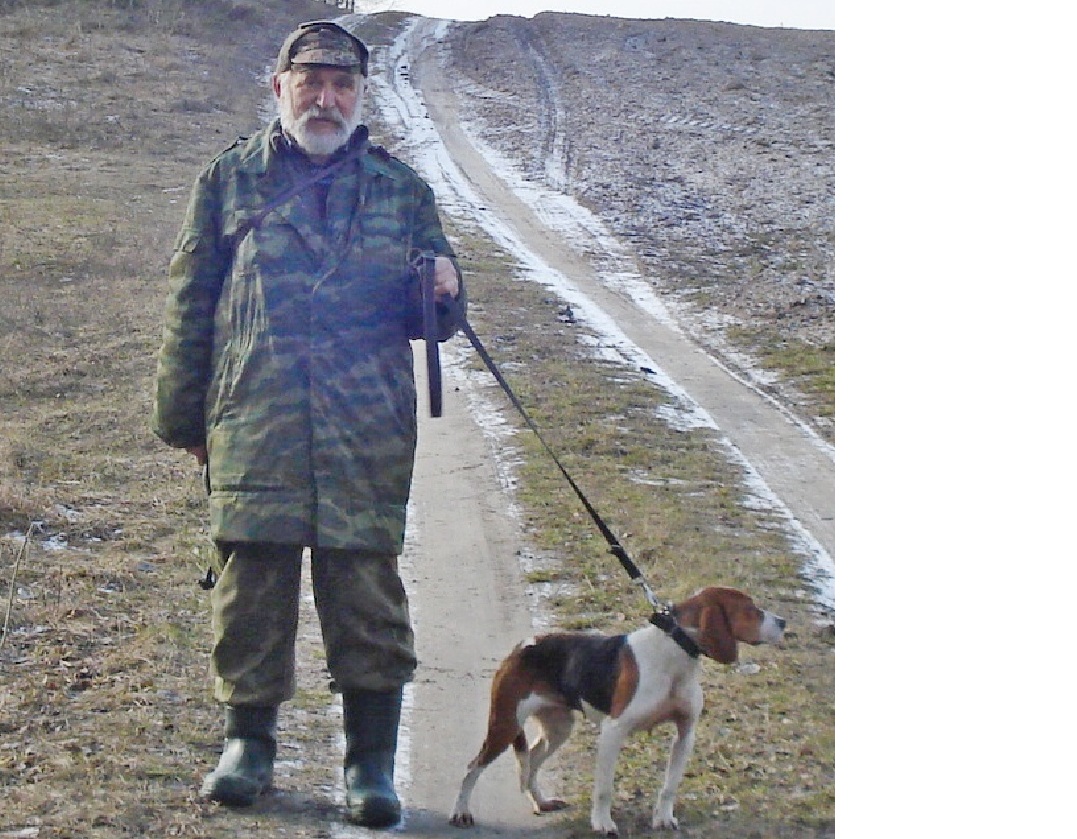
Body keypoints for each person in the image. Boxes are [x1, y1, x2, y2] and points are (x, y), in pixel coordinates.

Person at [151, 20, 464, 828]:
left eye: (341, 85)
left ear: (358, 96)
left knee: (366, 592)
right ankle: (247, 745)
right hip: (256, 415)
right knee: (250, 586)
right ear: (280, 87)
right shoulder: (229, 180)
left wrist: (443, 292)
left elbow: (433, 316)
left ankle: (369, 762)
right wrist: (184, 417)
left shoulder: (402, 191)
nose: (325, 99)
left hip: (365, 424)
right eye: (310, 82)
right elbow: (190, 303)